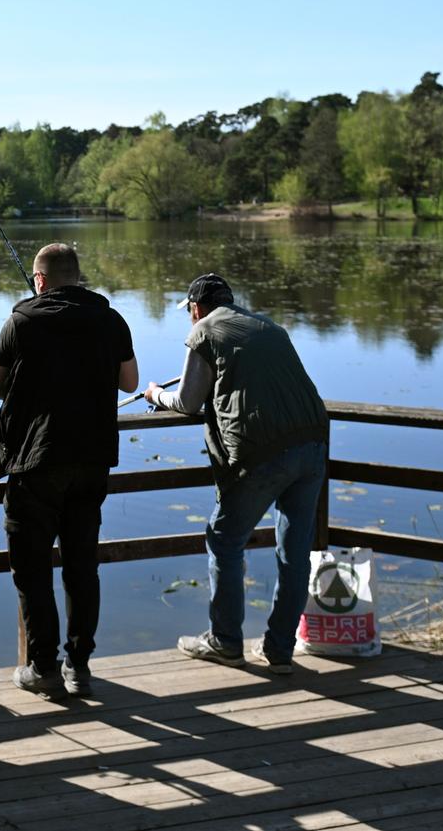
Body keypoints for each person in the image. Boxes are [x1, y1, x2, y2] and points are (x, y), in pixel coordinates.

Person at [145, 273, 328, 675]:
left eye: (189, 313)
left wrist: (156, 394)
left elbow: (189, 402)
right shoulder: (269, 327)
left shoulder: (204, 333)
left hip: (263, 453)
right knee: (293, 554)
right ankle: (280, 651)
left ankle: (225, 642)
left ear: (196, 308)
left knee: (224, 541)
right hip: (312, 445)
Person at [0, 243, 138, 700]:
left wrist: (32, 391)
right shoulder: (111, 320)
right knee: (82, 568)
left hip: (36, 462)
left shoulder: (23, 320)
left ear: (40, 280)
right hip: (91, 461)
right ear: (79, 277)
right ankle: (80, 666)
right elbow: (129, 382)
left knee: (31, 570)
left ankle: (43, 667)